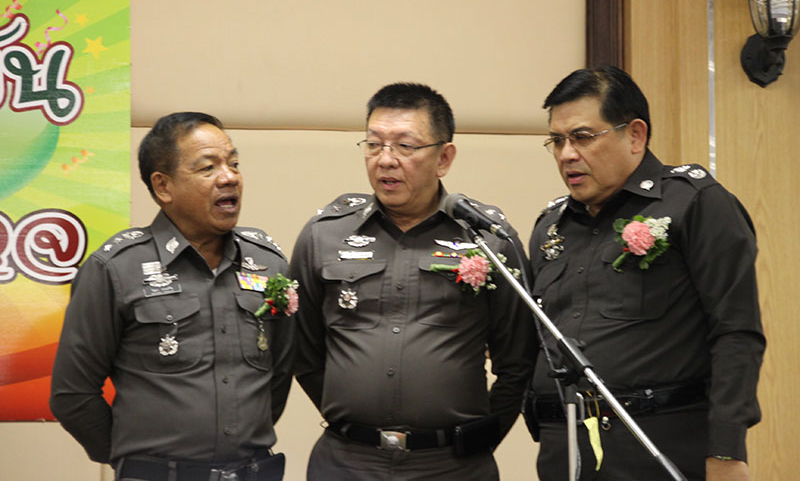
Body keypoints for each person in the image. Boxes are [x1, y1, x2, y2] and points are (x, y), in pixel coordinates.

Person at [524, 65, 765, 480]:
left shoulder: (693, 204)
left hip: (658, 444)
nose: (566, 155)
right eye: (557, 141)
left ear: (635, 135)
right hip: (565, 449)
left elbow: (736, 331)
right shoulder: (551, 226)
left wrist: (726, 450)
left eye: (582, 137)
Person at [290, 82, 535, 480]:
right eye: (374, 145)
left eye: (405, 146)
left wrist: (475, 441)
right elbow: (303, 351)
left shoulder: (488, 239)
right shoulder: (324, 234)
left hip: (453, 466)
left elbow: (518, 362)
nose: (385, 160)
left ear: (444, 158)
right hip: (347, 462)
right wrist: (357, 424)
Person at [50, 112, 293, 481]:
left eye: (234, 163)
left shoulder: (268, 263)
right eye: (208, 167)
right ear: (163, 186)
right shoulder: (116, 268)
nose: (229, 177)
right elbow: (72, 394)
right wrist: (134, 462)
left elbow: (279, 375)